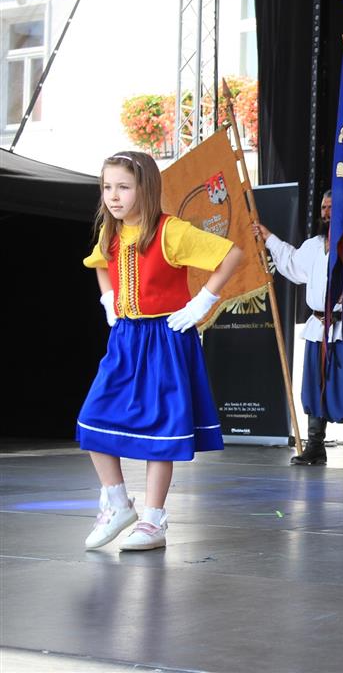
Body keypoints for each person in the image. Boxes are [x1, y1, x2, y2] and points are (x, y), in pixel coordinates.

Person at [79, 151, 244, 550]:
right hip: (126, 338)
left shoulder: (171, 231)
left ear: (146, 188)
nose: (113, 196)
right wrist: (108, 299)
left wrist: (202, 302)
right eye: (107, 187)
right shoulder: (110, 232)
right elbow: (100, 263)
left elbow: (232, 255)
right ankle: (118, 503)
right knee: (93, 418)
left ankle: (153, 520)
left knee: (161, 429)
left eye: (123, 187)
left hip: (165, 338)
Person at [253, 191, 343, 467]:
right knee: (315, 386)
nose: (326, 212)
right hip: (318, 328)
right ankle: (315, 447)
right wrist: (269, 237)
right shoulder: (312, 246)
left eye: (332, 207)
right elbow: (292, 263)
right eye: (323, 207)